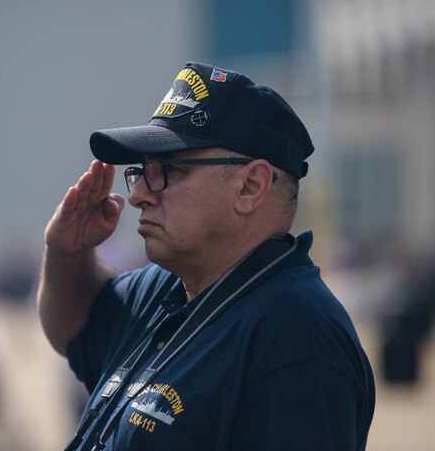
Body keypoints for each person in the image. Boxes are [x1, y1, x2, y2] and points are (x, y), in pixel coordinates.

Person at [37, 62, 375, 451]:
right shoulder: (169, 286)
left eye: (165, 169)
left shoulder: (298, 338)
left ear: (250, 186)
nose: (138, 194)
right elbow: (73, 329)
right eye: (141, 171)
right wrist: (67, 253)